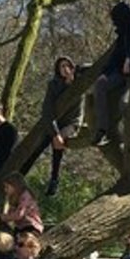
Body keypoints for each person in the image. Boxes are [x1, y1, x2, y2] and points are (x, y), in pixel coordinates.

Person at [93, 1, 130, 147]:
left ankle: (128, 140)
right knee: (100, 85)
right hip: (121, 73)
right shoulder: (122, 34)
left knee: (124, 103)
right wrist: (105, 73)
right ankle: (103, 129)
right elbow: (115, 56)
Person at [41, 56, 87, 196]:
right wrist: (55, 133)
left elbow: (93, 66)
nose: (65, 69)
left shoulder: (81, 80)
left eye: (68, 65)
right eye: (62, 66)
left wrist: (78, 68)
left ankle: (54, 179)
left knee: (58, 143)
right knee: (46, 141)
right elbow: (47, 110)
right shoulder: (54, 85)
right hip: (56, 122)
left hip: (73, 122)